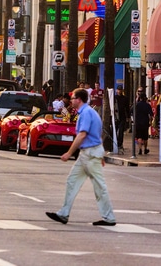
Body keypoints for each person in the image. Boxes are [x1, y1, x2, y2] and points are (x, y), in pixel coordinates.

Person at [46, 88, 116, 227]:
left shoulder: (85, 113)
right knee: (72, 181)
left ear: (79, 99)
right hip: (88, 154)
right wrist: (100, 154)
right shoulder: (90, 112)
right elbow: (97, 134)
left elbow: (82, 134)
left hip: (89, 154)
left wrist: (69, 153)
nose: (71, 101)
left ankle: (109, 217)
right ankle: (64, 213)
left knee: (99, 186)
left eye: (73, 98)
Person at [134, 91, 153, 156]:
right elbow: (151, 115)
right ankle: (145, 149)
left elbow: (131, 111)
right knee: (145, 137)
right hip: (145, 123)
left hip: (138, 123)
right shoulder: (148, 105)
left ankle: (140, 149)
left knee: (139, 136)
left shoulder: (137, 105)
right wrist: (150, 121)